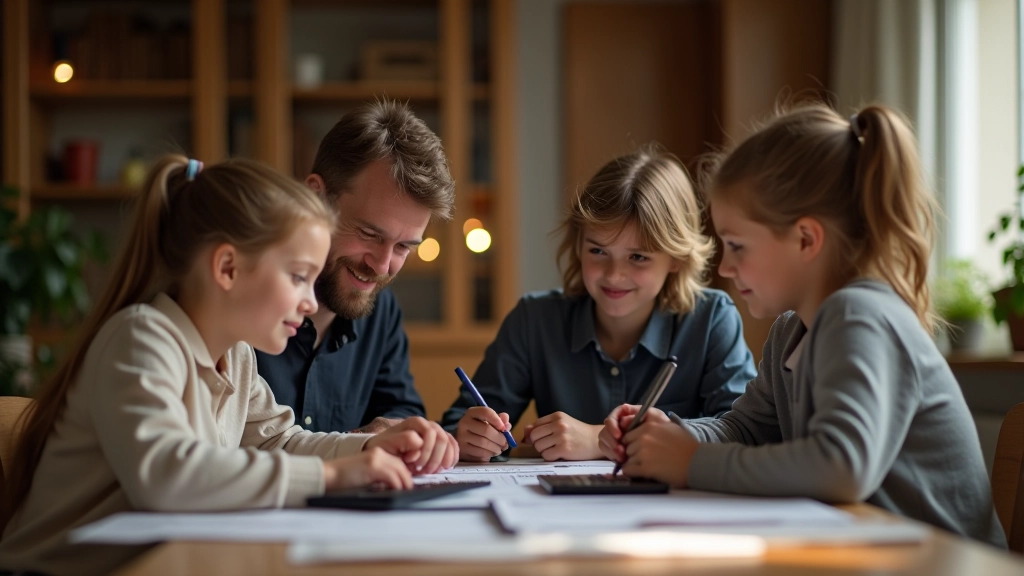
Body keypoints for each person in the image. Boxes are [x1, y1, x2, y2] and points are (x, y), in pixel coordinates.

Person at [0, 156, 457, 576]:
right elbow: (168, 477)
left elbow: (280, 440)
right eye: (298, 276)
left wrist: (369, 451)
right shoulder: (141, 339)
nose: (309, 299)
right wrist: (332, 475)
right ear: (228, 268)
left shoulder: (234, 356)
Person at [599, 104, 1006, 547]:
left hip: (941, 562)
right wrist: (673, 437)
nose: (728, 269)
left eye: (737, 246)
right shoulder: (792, 332)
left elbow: (841, 467)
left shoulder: (860, 316)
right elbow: (746, 431)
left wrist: (691, 461)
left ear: (806, 239)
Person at [442, 145, 756, 462]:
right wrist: (468, 436)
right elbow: (458, 424)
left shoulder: (712, 319)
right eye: (598, 251)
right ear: (578, 245)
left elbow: (743, 432)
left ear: (676, 258)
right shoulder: (535, 320)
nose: (614, 275)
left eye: (638, 257)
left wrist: (598, 441)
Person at [256, 100, 457, 442]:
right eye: (369, 234)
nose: (381, 266)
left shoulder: (382, 310)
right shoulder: (240, 295)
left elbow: (400, 408)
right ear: (316, 197)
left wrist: (394, 428)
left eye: (404, 247)